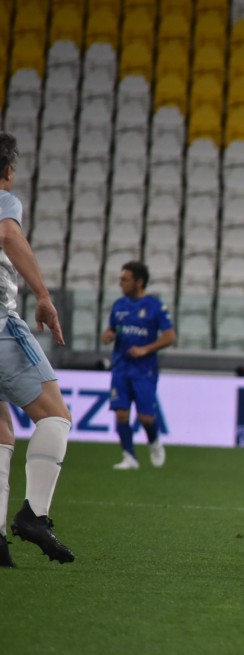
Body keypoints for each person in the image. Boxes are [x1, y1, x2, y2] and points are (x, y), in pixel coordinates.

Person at [0, 132, 75, 566]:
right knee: (55, 415)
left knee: (0, 431)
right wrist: (43, 296)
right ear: (8, 172)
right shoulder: (4, 200)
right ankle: (34, 515)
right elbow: (8, 234)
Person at [101, 261, 177, 470]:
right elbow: (111, 330)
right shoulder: (119, 305)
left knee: (145, 417)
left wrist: (145, 349)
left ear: (139, 282)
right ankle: (129, 457)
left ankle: (154, 442)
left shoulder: (155, 306)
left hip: (144, 370)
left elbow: (170, 336)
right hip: (120, 367)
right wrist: (108, 335)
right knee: (121, 413)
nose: (121, 283)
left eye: (125, 280)